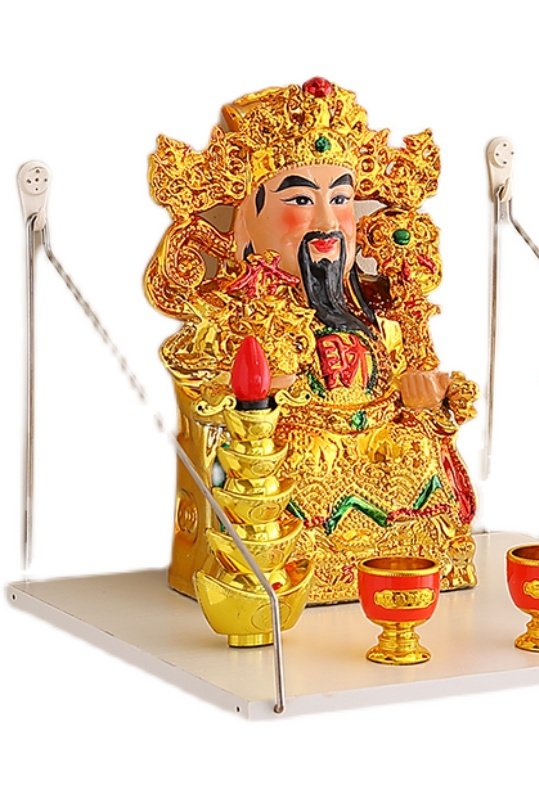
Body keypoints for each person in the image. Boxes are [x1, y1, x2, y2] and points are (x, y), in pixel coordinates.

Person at [145, 78, 478, 604]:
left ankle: (411, 556)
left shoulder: (378, 311)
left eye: (341, 199)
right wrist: (260, 394)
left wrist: (428, 401)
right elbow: (209, 397)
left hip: (384, 462)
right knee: (283, 471)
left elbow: (420, 388)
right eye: (301, 199)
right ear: (247, 222)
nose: (327, 223)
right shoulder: (236, 314)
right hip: (296, 467)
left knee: (418, 451)